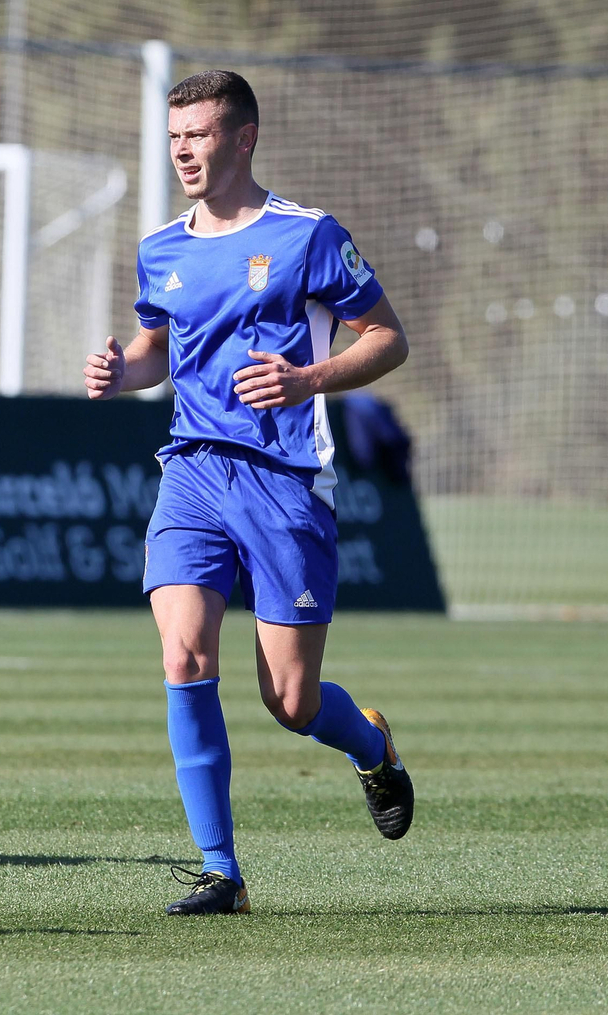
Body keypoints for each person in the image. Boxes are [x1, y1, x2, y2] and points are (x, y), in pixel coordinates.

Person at [83, 71, 414, 915]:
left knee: (291, 702)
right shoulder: (162, 247)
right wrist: (125, 371)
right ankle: (220, 869)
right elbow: (159, 347)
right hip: (192, 467)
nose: (183, 151)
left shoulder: (308, 237)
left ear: (243, 138)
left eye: (198, 134)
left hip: (283, 481)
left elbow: (387, 338)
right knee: (184, 656)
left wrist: (310, 378)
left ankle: (370, 743)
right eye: (174, 137)